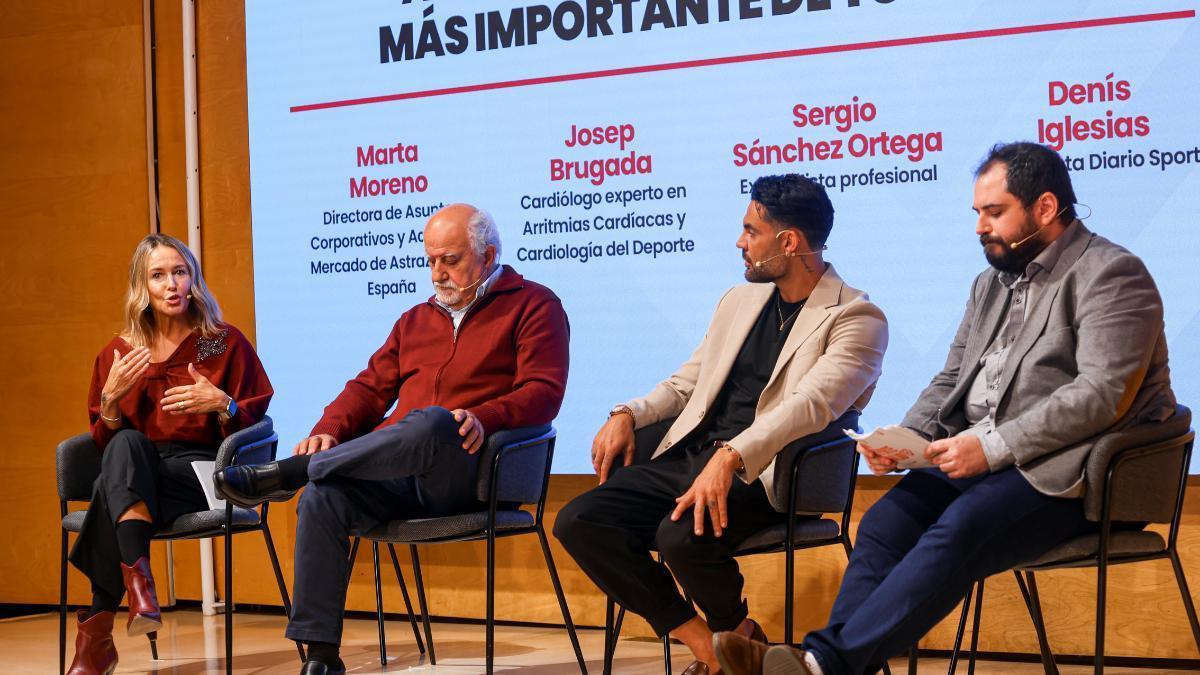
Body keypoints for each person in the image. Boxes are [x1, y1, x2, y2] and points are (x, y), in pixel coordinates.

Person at [712, 142, 1177, 675]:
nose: (980, 226)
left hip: (1074, 471)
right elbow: (953, 377)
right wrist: (903, 437)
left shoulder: (1113, 274)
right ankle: (822, 663)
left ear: (1045, 208)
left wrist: (991, 446)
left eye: (994, 212)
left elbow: (1102, 393)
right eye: (977, 212)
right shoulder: (989, 284)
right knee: (886, 521)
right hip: (987, 458)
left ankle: (823, 665)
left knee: (960, 526)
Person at [554, 174, 889, 675]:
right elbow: (689, 383)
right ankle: (716, 646)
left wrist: (731, 457)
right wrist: (628, 413)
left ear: (789, 241)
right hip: (696, 457)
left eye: (751, 231)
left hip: (771, 472)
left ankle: (734, 644)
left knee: (679, 536)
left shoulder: (857, 317)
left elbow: (809, 406)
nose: (740, 242)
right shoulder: (740, 300)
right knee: (578, 521)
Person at [215, 203, 570, 675]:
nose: (438, 272)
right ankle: (321, 657)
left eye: (451, 259)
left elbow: (543, 391)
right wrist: (328, 430)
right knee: (324, 495)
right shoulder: (414, 320)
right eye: (431, 261)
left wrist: (485, 416)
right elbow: (368, 388)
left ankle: (290, 474)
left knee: (434, 423)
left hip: (472, 472)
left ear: (487, 256)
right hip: (398, 477)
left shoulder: (534, 304)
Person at [67, 234, 273, 675]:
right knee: (126, 446)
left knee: (113, 487)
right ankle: (136, 589)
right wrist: (109, 404)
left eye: (180, 272)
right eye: (158, 275)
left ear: (194, 279)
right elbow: (105, 446)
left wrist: (223, 405)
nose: (172, 284)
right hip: (139, 470)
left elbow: (258, 427)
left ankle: (99, 632)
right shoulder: (118, 354)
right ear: (142, 287)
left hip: (203, 473)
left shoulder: (221, 342)